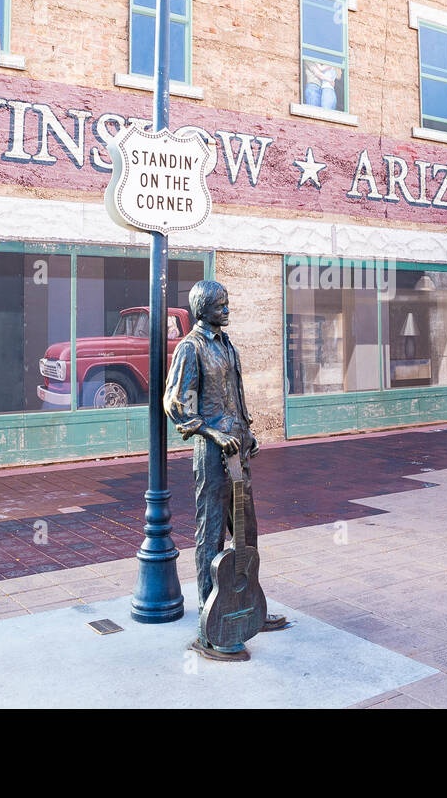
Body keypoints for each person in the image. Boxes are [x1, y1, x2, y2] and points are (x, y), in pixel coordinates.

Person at [163, 279, 289, 661]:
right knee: (212, 532)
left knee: (246, 533)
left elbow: (235, 395)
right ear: (203, 309)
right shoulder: (191, 347)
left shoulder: (226, 344)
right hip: (212, 453)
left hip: (239, 452)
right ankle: (210, 618)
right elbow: (176, 403)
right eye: (221, 305)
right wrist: (213, 433)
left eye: (228, 304)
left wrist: (247, 431)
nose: (227, 310)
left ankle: (248, 605)